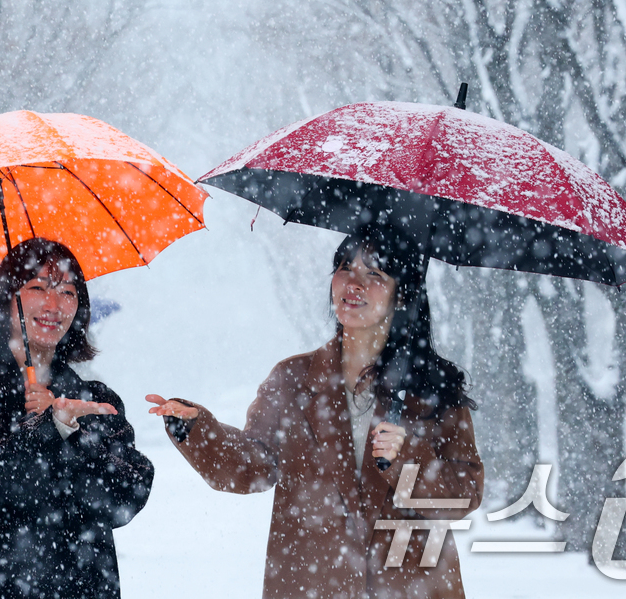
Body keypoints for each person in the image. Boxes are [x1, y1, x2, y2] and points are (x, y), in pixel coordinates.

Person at [147, 225, 483, 599]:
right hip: (313, 583)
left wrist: (407, 461)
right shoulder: (292, 379)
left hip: (410, 586)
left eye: (373, 274)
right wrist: (196, 430)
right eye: (344, 268)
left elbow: (462, 494)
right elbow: (253, 467)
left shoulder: (433, 390)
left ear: (401, 294)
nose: (352, 284)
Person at [0, 237, 154, 599]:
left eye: (67, 292)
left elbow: (125, 498)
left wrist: (72, 431)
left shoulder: (95, 399)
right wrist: (43, 428)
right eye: (37, 288)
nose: (53, 305)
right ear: (7, 298)